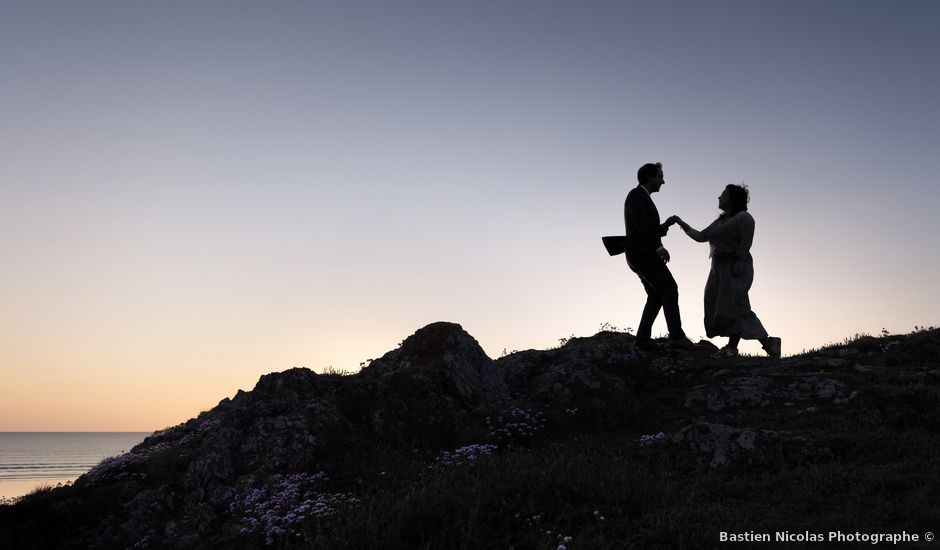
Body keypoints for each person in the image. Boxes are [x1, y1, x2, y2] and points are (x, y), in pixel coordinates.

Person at [669, 184, 781, 357]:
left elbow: (746, 242)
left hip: (735, 266)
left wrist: (738, 262)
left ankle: (732, 347)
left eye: (723, 194)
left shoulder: (744, 218)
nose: (719, 197)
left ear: (733, 198)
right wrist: (681, 223)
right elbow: (700, 236)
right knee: (722, 305)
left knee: (732, 305)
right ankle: (770, 343)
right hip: (717, 268)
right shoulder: (720, 221)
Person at [623, 162, 698, 351]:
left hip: (640, 254)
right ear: (649, 176)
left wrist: (666, 225)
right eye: (660, 177)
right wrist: (658, 247)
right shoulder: (636, 195)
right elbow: (642, 225)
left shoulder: (642, 197)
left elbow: (651, 229)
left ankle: (642, 338)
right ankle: (676, 337)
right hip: (642, 254)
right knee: (669, 288)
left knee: (656, 295)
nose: (663, 182)